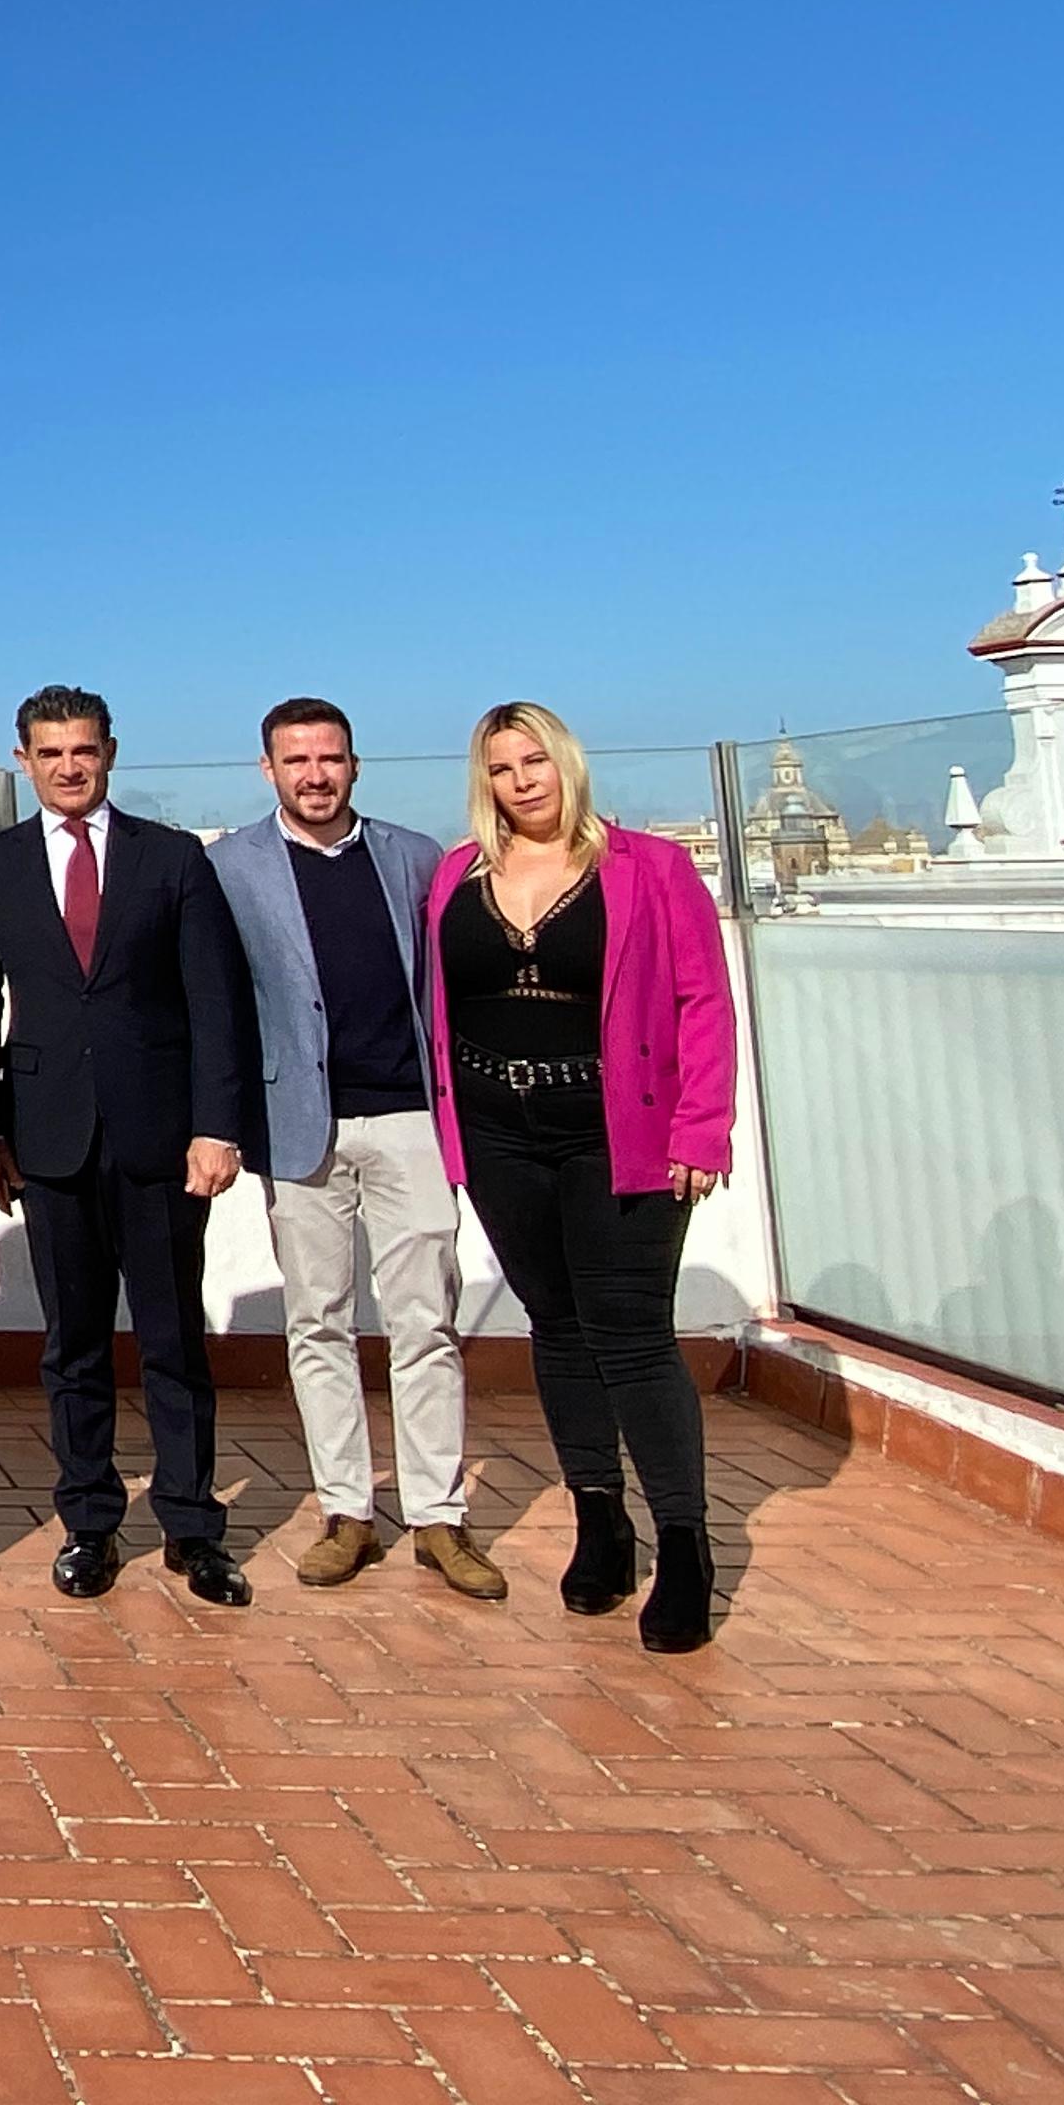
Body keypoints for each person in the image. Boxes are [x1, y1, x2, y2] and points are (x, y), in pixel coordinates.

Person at [424, 702, 737, 1653]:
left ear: (566, 764)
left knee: (634, 1336)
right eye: (502, 768)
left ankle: (685, 1544)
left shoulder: (649, 867)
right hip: (495, 1132)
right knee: (555, 1328)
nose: (523, 781)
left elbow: (701, 998)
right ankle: (602, 1521)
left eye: (535, 761)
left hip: (617, 1129)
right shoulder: (455, 873)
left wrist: (702, 1131)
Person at [0, 686, 256, 1608]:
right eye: (50, 754)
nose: (69, 767)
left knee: (172, 1342)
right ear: (23, 761)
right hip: (48, 1141)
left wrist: (218, 1126)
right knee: (72, 1345)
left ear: (110, 753)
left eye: (83, 751)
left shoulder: (172, 859)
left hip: (161, 1139)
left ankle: (193, 1527)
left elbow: (216, 999)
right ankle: (89, 1522)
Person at [209, 701, 502, 1600]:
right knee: (318, 1322)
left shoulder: (417, 859)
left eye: (329, 758)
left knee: (425, 1321)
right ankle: (345, 1510)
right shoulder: (227, 867)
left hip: (410, 1118)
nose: (314, 774)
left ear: (355, 765)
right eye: (295, 760)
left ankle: (438, 1518)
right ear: (268, 771)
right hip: (300, 1128)